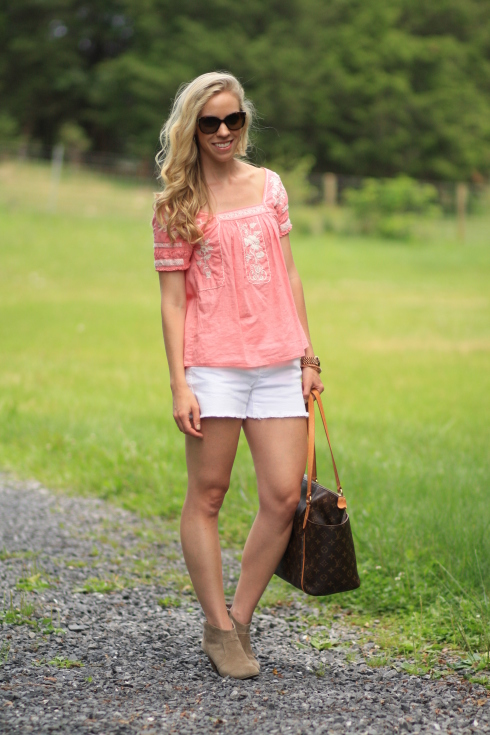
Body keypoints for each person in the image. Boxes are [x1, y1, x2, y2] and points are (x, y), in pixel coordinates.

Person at [153, 71, 323, 680]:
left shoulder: (269, 187)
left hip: (278, 361)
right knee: (209, 495)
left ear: (245, 122)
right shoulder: (177, 203)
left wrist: (307, 356)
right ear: (191, 129)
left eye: (234, 120)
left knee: (282, 496)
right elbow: (173, 303)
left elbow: (290, 273)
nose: (224, 132)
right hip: (214, 366)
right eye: (210, 123)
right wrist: (180, 383)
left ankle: (241, 619)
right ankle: (216, 627)